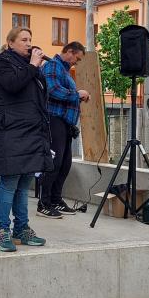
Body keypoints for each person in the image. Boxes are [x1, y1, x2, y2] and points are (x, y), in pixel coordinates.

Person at [0, 27, 51, 252]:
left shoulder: (28, 67)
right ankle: (2, 230)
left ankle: (21, 229)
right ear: (10, 43)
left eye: (30, 39)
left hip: (31, 131)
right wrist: (33, 66)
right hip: (11, 131)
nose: (29, 43)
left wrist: (37, 69)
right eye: (24, 39)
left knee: (24, 182)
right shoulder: (2, 63)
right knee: (9, 182)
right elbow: (13, 85)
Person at [38, 41, 90, 218]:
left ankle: (55, 199)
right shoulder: (52, 66)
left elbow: (63, 94)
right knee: (55, 162)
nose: (77, 62)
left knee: (65, 163)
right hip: (54, 120)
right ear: (69, 52)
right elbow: (53, 90)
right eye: (77, 58)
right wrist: (77, 94)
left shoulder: (63, 70)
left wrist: (78, 97)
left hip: (65, 122)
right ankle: (44, 203)